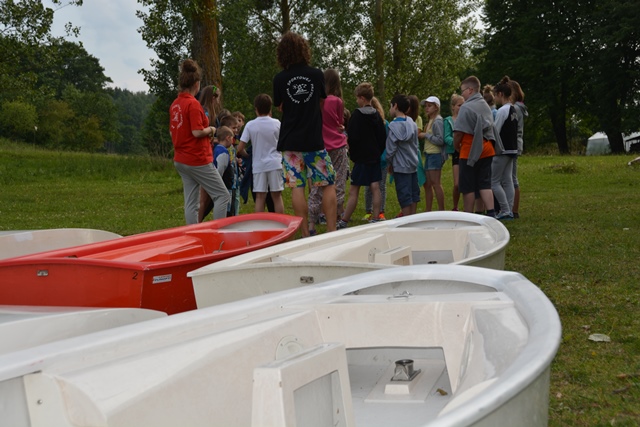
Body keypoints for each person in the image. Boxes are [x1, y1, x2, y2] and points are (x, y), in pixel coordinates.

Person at [273, 31, 337, 237]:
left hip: (290, 141)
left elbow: (280, 106)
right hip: (313, 139)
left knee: (297, 186)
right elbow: (321, 101)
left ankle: (304, 234)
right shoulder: (316, 74)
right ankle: (331, 230)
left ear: (282, 53)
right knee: (327, 183)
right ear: (304, 50)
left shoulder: (279, 79)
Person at [169, 59, 229, 224]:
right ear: (196, 84)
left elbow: (172, 131)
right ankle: (219, 234)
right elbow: (196, 132)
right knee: (222, 195)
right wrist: (212, 130)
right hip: (197, 158)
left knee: (191, 202)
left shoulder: (175, 104)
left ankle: (192, 235)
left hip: (181, 159)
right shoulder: (193, 104)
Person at [338, 82, 386, 229]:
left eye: (357, 98)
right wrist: (377, 152)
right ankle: (376, 217)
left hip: (361, 159)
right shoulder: (377, 115)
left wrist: (353, 153)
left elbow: (352, 136)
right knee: (375, 187)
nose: (357, 101)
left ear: (362, 98)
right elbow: (382, 137)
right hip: (374, 157)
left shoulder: (357, 115)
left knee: (354, 190)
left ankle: (344, 220)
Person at [308, 68, 349, 235]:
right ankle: (335, 219)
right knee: (337, 183)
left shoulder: (316, 101)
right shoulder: (337, 101)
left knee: (317, 186)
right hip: (337, 146)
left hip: (320, 145)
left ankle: (311, 224)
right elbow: (339, 123)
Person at [453, 76, 497, 216]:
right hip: (487, 148)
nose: (462, 94)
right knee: (484, 183)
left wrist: (456, 146)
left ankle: (469, 215)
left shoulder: (466, 107)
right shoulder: (485, 105)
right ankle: (491, 212)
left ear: (470, 90)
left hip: (470, 151)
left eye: (463, 91)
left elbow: (458, 133)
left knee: (468, 187)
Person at [237, 93, 284, 214]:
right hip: (275, 163)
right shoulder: (277, 123)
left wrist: (246, 155)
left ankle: (260, 223)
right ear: (270, 108)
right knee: (277, 196)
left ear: (256, 109)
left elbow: (240, 147)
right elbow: (283, 142)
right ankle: (280, 223)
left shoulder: (250, 125)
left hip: (259, 165)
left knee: (260, 197)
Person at [386, 94, 420, 217]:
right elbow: (416, 145)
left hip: (400, 167)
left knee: (404, 196)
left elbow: (390, 149)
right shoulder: (412, 124)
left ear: (395, 106)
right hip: (413, 165)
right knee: (413, 194)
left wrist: (388, 163)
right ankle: (413, 219)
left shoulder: (393, 127)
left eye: (390, 106)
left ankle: (406, 220)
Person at [491, 77, 518, 220]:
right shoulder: (513, 109)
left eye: (495, 95)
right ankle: (509, 209)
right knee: (507, 181)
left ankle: (505, 209)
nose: (494, 98)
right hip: (512, 149)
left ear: (500, 94)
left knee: (494, 181)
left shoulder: (502, 110)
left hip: (502, 150)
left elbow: (495, 130)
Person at [363, 96, 389, 221]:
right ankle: (369, 210)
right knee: (370, 186)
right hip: (371, 158)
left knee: (380, 185)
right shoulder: (366, 123)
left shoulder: (385, 123)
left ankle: (380, 211)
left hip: (381, 159)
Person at [419, 96, 446, 211]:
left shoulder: (437, 121)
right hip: (429, 154)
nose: (427, 108)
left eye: (429, 106)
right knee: (428, 184)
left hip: (435, 154)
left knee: (436, 183)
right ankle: (428, 210)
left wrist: (426, 135)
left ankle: (441, 210)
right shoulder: (430, 121)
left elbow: (440, 140)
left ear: (436, 107)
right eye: (426, 106)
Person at [509, 78, 527, 219]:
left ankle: (514, 209)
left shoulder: (515, 109)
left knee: (512, 177)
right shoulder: (519, 108)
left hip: (513, 144)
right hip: (516, 143)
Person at [444, 94, 464, 211]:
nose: (461, 108)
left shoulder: (467, 118)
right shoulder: (449, 121)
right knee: (457, 184)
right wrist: (456, 143)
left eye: (463, 105)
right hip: (456, 152)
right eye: (459, 105)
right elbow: (446, 137)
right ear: (453, 107)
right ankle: (455, 206)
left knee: (467, 182)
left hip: (467, 150)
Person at [407, 95, 426, 214]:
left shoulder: (417, 119)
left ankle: (412, 209)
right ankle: (406, 208)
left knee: (416, 179)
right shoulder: (404, 118)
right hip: (406, 152)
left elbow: (417, 133)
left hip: (414, 150)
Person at [213, 126, 236, 209]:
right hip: (224, 185)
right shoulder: (223, 152)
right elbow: (220, 170)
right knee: (227, 209)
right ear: (228, 138)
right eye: (232, 138)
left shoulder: (216, 149)